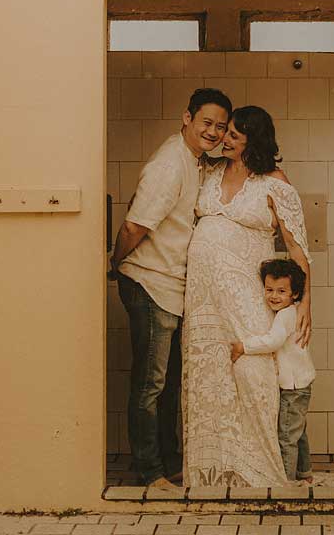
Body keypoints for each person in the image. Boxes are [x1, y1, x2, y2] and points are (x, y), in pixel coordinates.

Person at [182, 105, 312, 488]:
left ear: (253, 141)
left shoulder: (274, 181)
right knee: (211, 376)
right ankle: (217, 469)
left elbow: (298, 249)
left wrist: (305, 303)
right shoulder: (211, 171)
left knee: (253, 372)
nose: (225, 139)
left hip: (248, 296)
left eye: (235, 135)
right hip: (205, 300)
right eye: (227, 133)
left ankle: (263, 464)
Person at [111, 87, 232, 489]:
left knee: (166, 387)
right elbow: (134, 225)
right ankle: (150, 472)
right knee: (151, 385)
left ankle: (165, 464)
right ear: (187, 118)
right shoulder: (170, 164)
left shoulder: (192, 158)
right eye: (206, 123)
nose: (213, 132)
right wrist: (117, 263)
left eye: (220, 126)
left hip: (170, 287)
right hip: (150, 283)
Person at [230, 258, 315, 481]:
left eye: (281, 291)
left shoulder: (286, 316)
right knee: (298, 431)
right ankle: (304, 473)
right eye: (269, 290)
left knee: (287, 435)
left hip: (293, 386)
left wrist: (243, 346)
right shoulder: (292, 311)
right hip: (302, 383)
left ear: (294, 294)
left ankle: (284, 481)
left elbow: (273, 341)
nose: (274, 296)